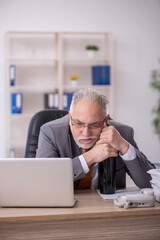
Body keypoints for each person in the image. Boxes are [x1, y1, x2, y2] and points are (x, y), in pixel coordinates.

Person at [36, 88, 155, 189]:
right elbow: (44, 181)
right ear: (70, 116)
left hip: (108, 209)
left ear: (106, 120)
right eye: (78, 123)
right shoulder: (50, 132)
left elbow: (150, 184)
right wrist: (90, 157)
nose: (86, 133)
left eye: (95, 125)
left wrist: (125, 147)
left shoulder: (123, 133)